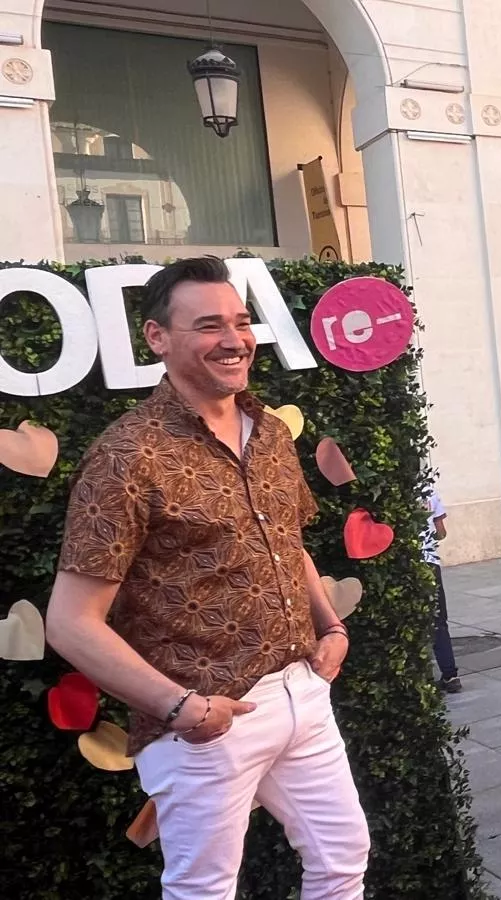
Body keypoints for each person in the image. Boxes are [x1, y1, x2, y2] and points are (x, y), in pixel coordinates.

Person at [44, 256, 368, 899]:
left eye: (242, 322)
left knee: (342, 860)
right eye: (209, 325)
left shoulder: (271, 434)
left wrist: (330, 625)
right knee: (204, 891)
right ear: (158, 338)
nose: (234, 339)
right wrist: (180, 707)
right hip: (203, 720)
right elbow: (69, 623)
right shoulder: (126, 456)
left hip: (302, 690)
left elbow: (287, 540)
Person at [423, 490, 460, 694]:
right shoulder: (430, 493)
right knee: (438, 621)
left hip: (407, 562)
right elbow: (441, 532)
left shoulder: (393, 490)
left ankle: (421, 678)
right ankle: (450, 675)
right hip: (430, 563)